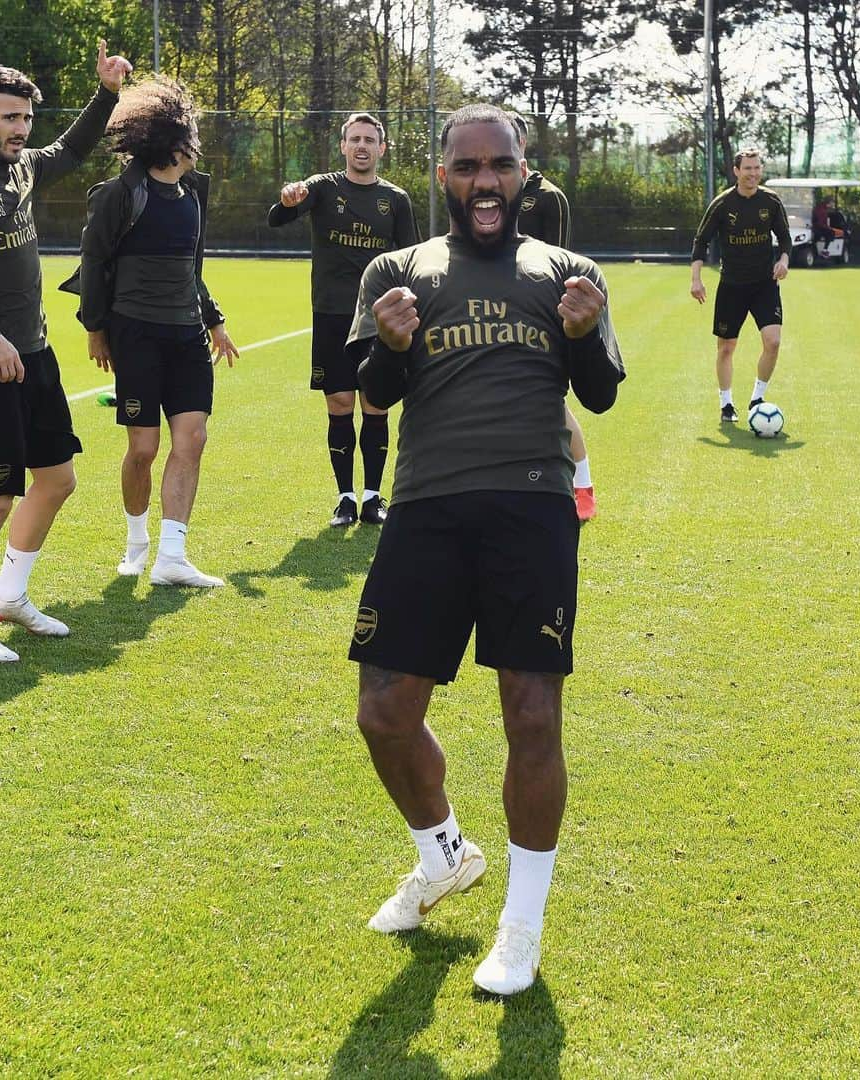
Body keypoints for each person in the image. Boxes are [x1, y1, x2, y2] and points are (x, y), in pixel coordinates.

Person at [346, 104, 625, 995]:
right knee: (383, 711)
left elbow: (602, 394)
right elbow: (376, 388)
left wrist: (583, 337)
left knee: (531, 716)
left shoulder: (568, 272)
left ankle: (521, 925)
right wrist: (389, 346)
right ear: (441, 176)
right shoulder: (398, 269)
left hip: (532, 508)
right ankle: (444, 858)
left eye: (498, 166)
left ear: (524, 173)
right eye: (465, 168)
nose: (484, 183)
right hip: (426, 506)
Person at [0, 44, 131, 663]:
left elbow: (69, 150)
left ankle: (9, 596)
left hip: (34, 356)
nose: (20, 130)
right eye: (9, 118)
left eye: (26, 119)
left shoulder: (22, 168)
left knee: (58, 479)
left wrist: (107, 93)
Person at [68, 78, 238, 587]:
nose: (198, 142)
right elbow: (94, 262)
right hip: (136, 334)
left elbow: (190, 269)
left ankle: (171, 557)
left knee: (193, 439)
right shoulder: (122, 194)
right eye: (193, 132)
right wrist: (96, 329)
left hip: (186, 337)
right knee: (142, 449)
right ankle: (136, 542)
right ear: (174, 139)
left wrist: (214, 319)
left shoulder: (193, 194)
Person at [267, 114, 418, 528]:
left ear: (382, 148)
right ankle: (345, 498)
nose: (362, 146)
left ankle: (372, 497)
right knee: (339, 404)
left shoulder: (396, 199)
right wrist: (287, 200)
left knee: (375, 404)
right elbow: (276, 219)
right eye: (355, 139)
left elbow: (412, 260)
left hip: (377, 319)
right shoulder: (323, 187)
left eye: (370, 139)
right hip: (331, 314)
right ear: (343, 146)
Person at [512, 114, 598, 522]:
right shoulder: (490, 193)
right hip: (497, 313)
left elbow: (561, 264)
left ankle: (583, 487)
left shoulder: (549, 196)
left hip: (542, 315)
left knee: (551, 402)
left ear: (523, 143)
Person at [690, 148, 791, 423]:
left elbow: (784, 239)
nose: (753, 173)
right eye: (748, 168)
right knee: (726, 347)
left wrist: (783, 260)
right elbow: (701, 241)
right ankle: (726, 404)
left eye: (757, 167)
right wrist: (696, 278)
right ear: (736, 171)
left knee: (773, 342)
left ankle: (758, 398)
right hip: (732, 286)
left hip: (764, 285)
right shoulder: (723, 204)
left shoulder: (770, 201)